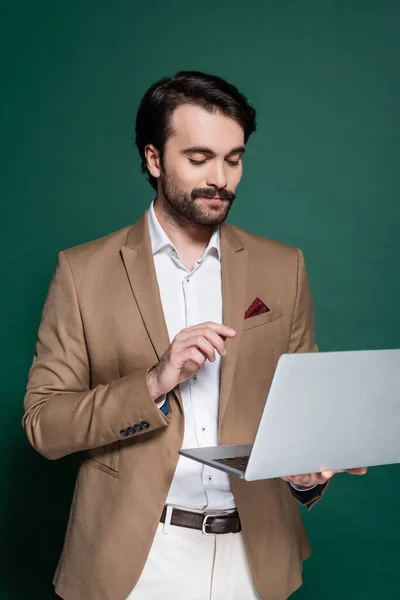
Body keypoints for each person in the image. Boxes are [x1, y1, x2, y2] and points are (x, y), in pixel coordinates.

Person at [23, 71, 367, 600]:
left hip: (254, 558)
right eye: (199, 158)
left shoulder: (284, 267)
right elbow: (43, 424)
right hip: (136, 559)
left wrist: (308, 474)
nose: (221, 179)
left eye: (234, 159)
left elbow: (304, 416)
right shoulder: (82, 272)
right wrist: (155, 381)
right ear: (155, 159)